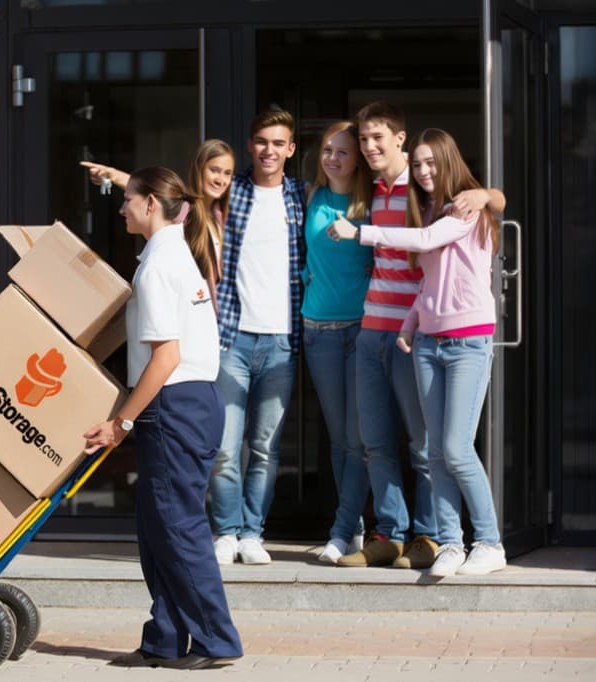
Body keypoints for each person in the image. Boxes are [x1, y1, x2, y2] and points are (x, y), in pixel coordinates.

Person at [83, 167, 243, 670]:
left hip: (173, 404)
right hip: (190, 403)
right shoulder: (177, 250)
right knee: (157, 528)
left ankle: (217, 640)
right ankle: (166, 639)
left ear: (151, 204)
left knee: (176, 528)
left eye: (128, 200)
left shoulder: (156, 269)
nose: (121, 208)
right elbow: (184, 201)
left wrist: (120, 424)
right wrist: (122, 175)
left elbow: (165, 358)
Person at [329, 127, 507, 576]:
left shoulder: (466, 207)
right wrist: (410, 326)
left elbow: (428, 243)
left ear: (449, 162)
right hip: (428, 342)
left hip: (469, 342)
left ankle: (489, 541)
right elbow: (430, 282)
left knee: (454, 447)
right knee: (436, 453)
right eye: (420, 164)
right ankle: (450, 543)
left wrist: (359, 233)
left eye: (432, 163)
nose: (425, 172)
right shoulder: (430, 211)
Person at [209, 108, 306, 566]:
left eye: (278, 143)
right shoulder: (232, 191)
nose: (269, 150)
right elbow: (176, 196)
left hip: (282, 342)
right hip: (233, 338)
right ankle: (226, 531)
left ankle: (252, 533)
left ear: (291, 149)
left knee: (266, 448)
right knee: (226, 448)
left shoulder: (303, 197)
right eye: (261, 141)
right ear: (251, 145)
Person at [300, 121, 375, 564]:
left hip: (365, 329)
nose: (333, 157)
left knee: (358, 438)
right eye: (328, 149)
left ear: (358, 159)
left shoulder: (374, 203)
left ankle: (342, 529)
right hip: (319, 330)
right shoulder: (310, 196)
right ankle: (355, 529)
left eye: (343, 151)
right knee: (339, 438)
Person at [81, 139, 235, 312]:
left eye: (227, 173)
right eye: (214, 170)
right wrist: (114, 176)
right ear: (199, 169)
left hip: (218, 318)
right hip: (190, 312)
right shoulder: (186, 211)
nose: (221, 179)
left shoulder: (220, 215)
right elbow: (154, 193)